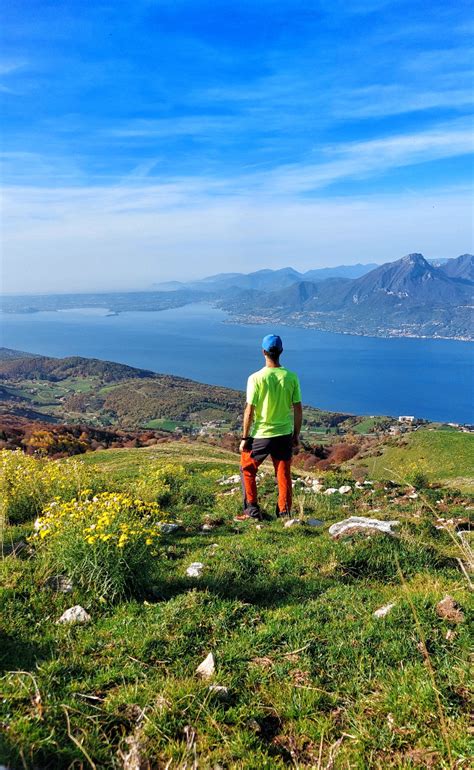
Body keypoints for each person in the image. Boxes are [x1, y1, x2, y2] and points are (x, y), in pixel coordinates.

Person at [236, 334, 303, 521]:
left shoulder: (255, 378)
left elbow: (249, 410)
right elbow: (298, 409)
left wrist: (244, 438)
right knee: (283, 473)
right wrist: (295, 435)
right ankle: (284, 513)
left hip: (261, 435)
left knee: (247, 469)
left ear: (263, 352)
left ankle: (251, 510)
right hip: (284, 434)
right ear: (281, 351)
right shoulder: (291, 377)